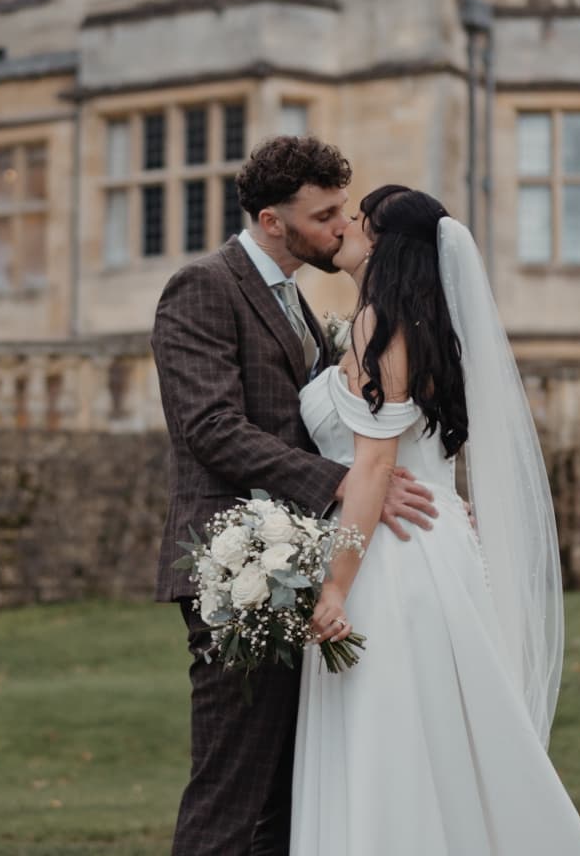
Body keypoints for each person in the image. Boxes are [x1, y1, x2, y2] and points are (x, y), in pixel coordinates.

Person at [291, 185, 580, 855]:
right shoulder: (433, 328)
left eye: (358, 220)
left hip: (392, 558)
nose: (345, 228)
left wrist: (336, 586)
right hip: (439, 548)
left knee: (390, 738)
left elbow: (375, 467)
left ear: (383, 243)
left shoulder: (379, 324)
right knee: (442, 736)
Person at [151, 138, 438, 856]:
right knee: (232, 791)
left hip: (303, 560)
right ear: (272, 221)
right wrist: (347, 483)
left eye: (343, 210)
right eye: (325, 215)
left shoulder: (300, 301)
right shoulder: (202, 287)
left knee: (288, 796)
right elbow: (211, 428)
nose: (343, 227)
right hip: (236, 566)